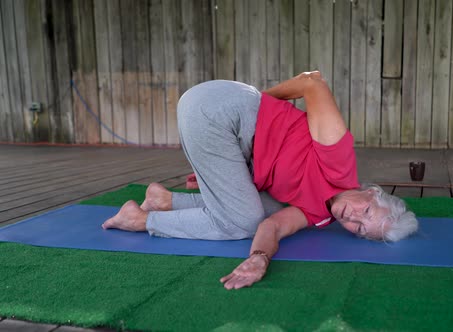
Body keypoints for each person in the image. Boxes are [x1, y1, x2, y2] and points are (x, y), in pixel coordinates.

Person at [102, 71, 418, 289]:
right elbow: (313, 83)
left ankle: (165, 200)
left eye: (360, 229)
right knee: (241, 222)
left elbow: (271, 227)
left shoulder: (318, 215)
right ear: (371, 191)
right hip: (221, 109)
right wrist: (262, 105)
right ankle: (141, 220)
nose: (353, 220)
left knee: (264, 210)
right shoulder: (339, 161)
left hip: (223, 125)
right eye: (366, 212)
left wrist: (259, 258)